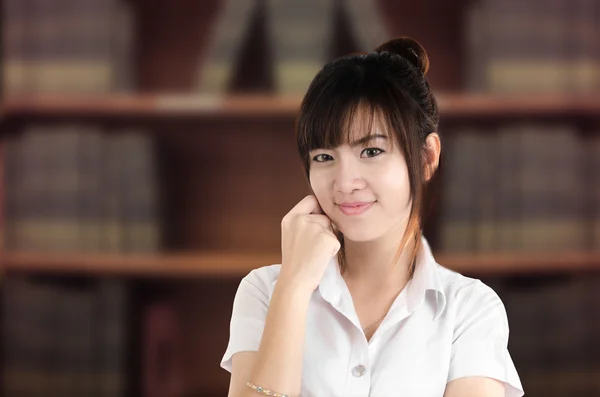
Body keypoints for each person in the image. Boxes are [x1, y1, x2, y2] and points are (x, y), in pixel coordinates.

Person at [220, 37, 524, 397]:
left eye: (371, 150)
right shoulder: (265, 292)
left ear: (427, 157)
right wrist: (293, 286)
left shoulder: (470, 309)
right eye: (324, 157)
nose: (345, 183)